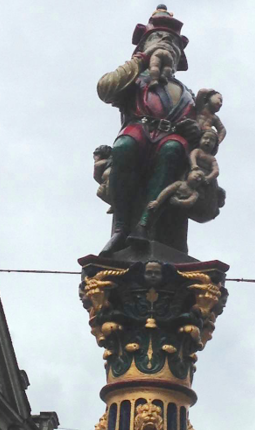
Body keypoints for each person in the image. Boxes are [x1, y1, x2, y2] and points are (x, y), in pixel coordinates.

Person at [96, 8, 200, 255]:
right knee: (124, 146)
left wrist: (194, 130)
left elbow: (199, 130)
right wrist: (141, 59)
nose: (166, 46)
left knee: (174, 151)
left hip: (170, 136)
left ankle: (144, 223)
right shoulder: (137, 78)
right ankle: (121, 227)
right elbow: (105, 89)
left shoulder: (187, 93)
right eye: (159, 39)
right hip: (139, 128)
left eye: (173, 44)